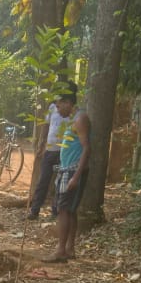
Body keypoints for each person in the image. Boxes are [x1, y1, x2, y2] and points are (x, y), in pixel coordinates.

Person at [46, 92, 90, 263]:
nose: (57, 110)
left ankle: (61, 250)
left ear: (68, 102)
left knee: (63, 210)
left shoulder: (80, 119)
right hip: (68, 170)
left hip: (72, 171)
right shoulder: (74, 119)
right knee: (69, 210)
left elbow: (87, 148)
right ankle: (69, 248)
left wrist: (75, 177)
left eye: (59, 105)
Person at [28, 81, 79, 220]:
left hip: (63, 153)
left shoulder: (73, 113)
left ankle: (55, 212)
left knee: (59, 183)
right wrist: (41, 143)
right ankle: (34, 210)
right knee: (43, 180)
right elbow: (46, 125)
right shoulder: (52, 107)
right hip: (49, 151)